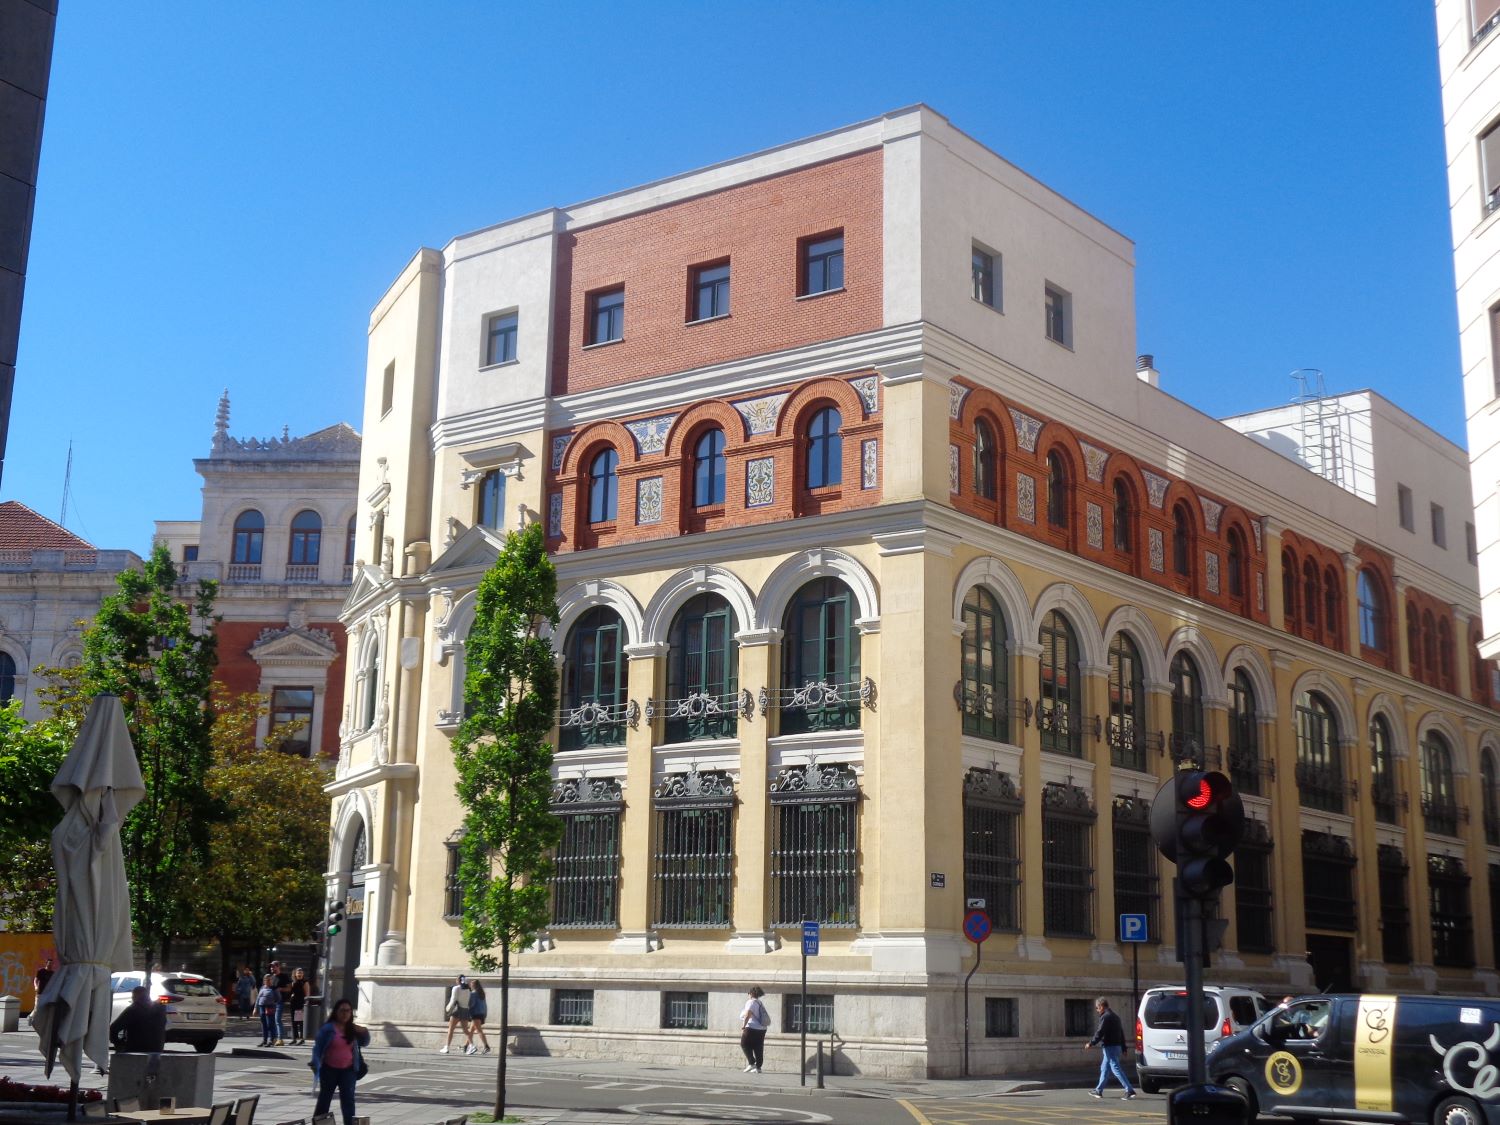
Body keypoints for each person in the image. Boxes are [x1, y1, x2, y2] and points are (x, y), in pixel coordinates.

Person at [311, 997, 369, 1125]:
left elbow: (365, 1042)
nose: (345, 1013)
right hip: (329, 1070)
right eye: (342, 1010)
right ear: (336, 1012)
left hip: (348, 1070)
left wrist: (364, 1031)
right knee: (324, 1100)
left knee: (348, 1101)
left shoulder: (352, 1029)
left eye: (348, 1011)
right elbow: (317, 1048)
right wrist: (316, 1066)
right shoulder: (328, 1029)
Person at [1084, 997, 1136, 1099]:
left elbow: (1100, 1032)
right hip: (1116, 1046)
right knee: (1104, 1068)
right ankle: (1098, 1090)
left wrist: (1091, 1043)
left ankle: (1129, 1090)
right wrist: (1124, 1047)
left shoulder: (1105, 1017)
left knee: (1115, 1068)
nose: (1097, 1010)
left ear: (1101, 1006)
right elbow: (1121, 1033)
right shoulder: (1116, 1017)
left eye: (1097, 1008)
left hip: (1110, 1047)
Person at [109, 986, 167, 1053]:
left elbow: (114, 1028)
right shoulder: (160, 1010)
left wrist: (119, 1044)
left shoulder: (133, 1010)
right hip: (157, 1051)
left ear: (134, 996)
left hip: (135, 1050)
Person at [738, 986, 770, 1074]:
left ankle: (752, 1063)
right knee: (758, 1046)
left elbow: (748, 1014)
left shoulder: (751, 1002)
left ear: (751, 993)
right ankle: (758, 1067)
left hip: (751, 1027)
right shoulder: (759, 1002)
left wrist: (744, 1025)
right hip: (762, 1028)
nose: (748, 994)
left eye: (748, 993)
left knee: (744, 1043)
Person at [440, 973, 471, 1054]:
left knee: (451, 1029)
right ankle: (471, 1045)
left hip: (457, 1010)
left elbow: (453, 1000)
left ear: (458, 980)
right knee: (466, 1030)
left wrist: (448, 1008)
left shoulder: (456, 988)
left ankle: (447, 1047)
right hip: (465, 1010)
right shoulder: (468, 989)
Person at [465, 979, 491, 1055]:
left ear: (474, 985)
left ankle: (486, 1046)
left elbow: (472, 1004)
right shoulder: (482, 993)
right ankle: (465, 1046)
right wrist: (485, 1013)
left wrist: (466, 1009)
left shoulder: (473, 993)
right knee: (471, 1030)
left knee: (479, 1030)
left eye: (471, 984)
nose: (470, 985)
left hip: (475, 1013)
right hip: (481, 1013)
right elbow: (485, 1005)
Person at [271, 960, 292, 1046]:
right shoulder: (271, 977)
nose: (272, 968)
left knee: (277, 1019)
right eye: (271, 966)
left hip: (280, 1001)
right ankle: (274, 1038)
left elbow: (289, 988)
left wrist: (281, 989)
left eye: (273, 966)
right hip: (271, 1001)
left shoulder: (284, 976)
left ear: (278, 967)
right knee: (272, 1020)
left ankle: (280, 1039)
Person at [256, 973, 280, 1047]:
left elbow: (278, 998)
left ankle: (272, 1040)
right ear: (264, 981)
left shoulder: (274, 988)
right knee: (264, 1024)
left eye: (269, 980)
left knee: (270, 1024)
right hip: (262, 1007)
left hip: (270, 1007)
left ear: (271, 980)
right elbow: (258, 998)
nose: (268, 981)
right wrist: (255, 1008)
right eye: (266, 980)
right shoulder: (262, 988)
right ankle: (264, 1040)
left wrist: (272, 1002)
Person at [289, 967, 311, 1045]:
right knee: (293, 1021)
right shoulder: (293, 982)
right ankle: (294, 1038)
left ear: (303, 974)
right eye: (298, 973)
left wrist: (306, 1004)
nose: (299, 974)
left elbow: (307, 994)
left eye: (301, 973)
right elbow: (291, 991)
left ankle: (302, 1039)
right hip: (293, 1004)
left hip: (300, 1004)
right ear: (295, 974)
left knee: (300, 1021)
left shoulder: (305, 982)